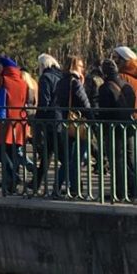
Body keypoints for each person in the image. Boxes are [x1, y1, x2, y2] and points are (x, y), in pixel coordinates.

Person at [0, 56, 28, 195]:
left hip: (2, 121)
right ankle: (12, 185)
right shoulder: (23, 82)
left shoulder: (1, 80)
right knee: (13, 153)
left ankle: (14, 178)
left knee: (0, 150)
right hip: (19, 121)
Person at [97, 58, 137, 198]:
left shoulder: (105, 87)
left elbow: (104, 110)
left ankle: (120, 191)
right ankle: (133, 190)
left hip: (113, 128)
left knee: (117, 160)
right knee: (130, 159)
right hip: (128, 126)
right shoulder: (127, 85)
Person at [52, 56, 90, 197]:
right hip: (78, 123)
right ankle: (75, 188)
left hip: (65, 122)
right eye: (80, 65)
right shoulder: (76, 82)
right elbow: (84, 103)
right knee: (77, 159)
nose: (83, 68)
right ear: (75, 67)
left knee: (67, 159)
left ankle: (57, 187)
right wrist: (92, 119)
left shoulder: (61, 81)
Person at [33, 53, 63, 193]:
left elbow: (44, 101)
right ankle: (36, 182)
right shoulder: (60, 76)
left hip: (50, 120)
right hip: (60, 118)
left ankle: (75, 183)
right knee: (48, 154)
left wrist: (37, 119)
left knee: (61, 155)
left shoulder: (45, 78)